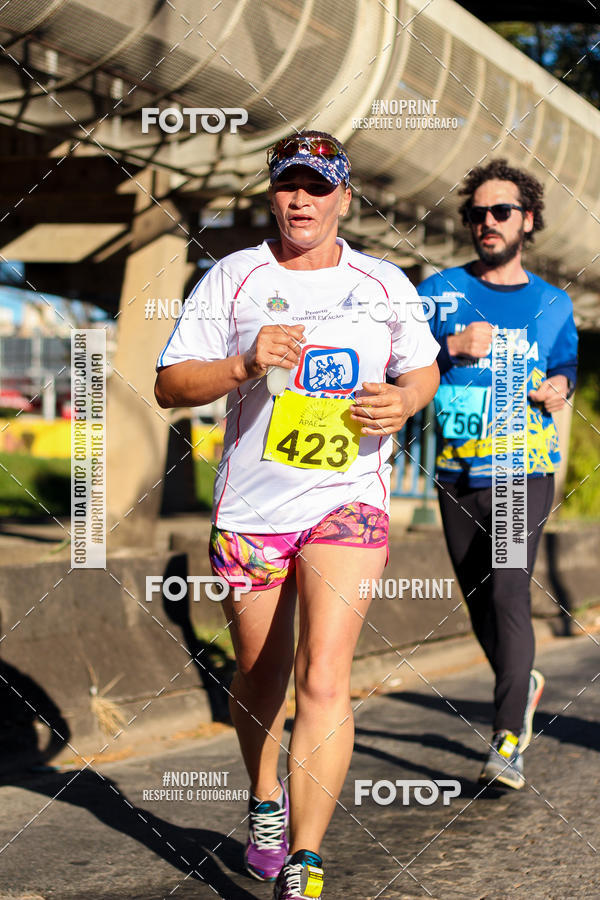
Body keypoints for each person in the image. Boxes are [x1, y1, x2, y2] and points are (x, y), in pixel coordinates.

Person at [155, 130, 439, 899]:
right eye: (289, 185)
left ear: (345, 196)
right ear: (271, 192)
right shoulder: (233, 280)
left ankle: (306, 860)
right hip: (253, 511)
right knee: (261, 675)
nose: (301, 200)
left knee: (324, 675)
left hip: (347, 501)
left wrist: (404, 399)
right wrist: (244, 364)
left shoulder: (383, 283)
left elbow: (422, 369)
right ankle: (267, 798)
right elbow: (171, 385)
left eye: (318, 186)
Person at [418, 159, 578, 789]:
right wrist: (449, 348)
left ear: (527, 220)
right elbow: (401, 358)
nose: (488, 222)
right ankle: (525, 682)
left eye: (501, 212)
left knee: (510, 590)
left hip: (520, 465)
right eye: (478, 213)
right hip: (455, 469)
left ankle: (507, 734)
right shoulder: (439, 293)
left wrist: (561, 386)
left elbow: (565, 367)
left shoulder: (551, 303)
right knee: (480, 597)